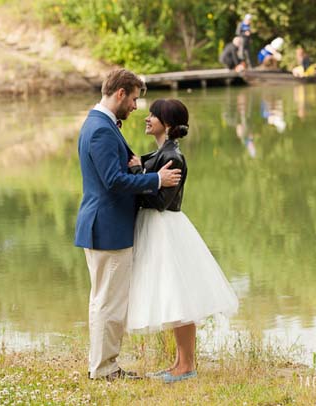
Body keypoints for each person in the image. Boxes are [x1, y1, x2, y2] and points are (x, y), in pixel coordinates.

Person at [74, 69, 182, 381]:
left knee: (103, 300)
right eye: (134, 99)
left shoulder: (101, 124)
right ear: (120, 93)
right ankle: (105, 369)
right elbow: (112, 181)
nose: (136, 106)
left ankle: (102, 365)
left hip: (103, 225)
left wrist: (137, 166)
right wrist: (156, 179)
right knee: (109, 302)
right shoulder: (101, 130)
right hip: (108, 227)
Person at [126, 99, 239, 383]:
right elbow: (149, 174)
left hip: (165, 228)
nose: (147, 118)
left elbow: (160, 201)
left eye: (154, 115)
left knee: (180, 297)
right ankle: (178, 362)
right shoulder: (160, 153)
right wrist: (142, 168)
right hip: (155, 228)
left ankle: (186, 365)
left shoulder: (173, 157)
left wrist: (140, 175)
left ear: (168, 124)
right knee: (173, 296)